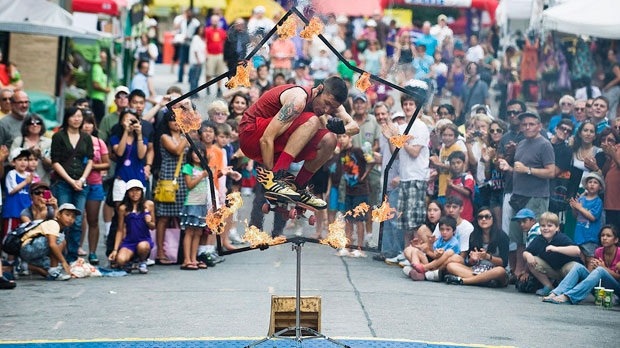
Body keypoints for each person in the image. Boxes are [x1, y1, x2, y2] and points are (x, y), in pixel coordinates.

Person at [238, 76, 357, 209]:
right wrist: (272, 180)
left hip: (274, 145)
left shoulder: (332, 105)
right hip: (250, 135)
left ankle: (298, 187)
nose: (327, 110)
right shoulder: (298, 99)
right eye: (326, 103)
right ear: (319, 89)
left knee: (330, 139)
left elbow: (355, 127)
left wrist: (342, 129)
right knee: (313, 120)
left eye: (332, 107)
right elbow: (266, 139)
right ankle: (277, 178)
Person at [498, 112, 555, 284]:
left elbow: (551, 172)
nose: (527, 127)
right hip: (518, 195)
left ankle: (530, 273)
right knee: (517, 237)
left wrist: (528, 170)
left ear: (539, 126)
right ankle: (517, 271)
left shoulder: (545, 145)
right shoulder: (521, 144)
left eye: (531, 124)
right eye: (524, 125)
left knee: (533, 236)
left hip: (536, 197)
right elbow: (519, 169)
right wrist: (508, 168)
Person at [50, 107, 94, 263]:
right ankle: (59, 256)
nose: (77, 119)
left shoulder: (86, 137)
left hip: (81, 183)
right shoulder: (59, 136)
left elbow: (90, 159)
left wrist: (82, 179)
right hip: (63, 183)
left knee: (77, 220)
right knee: (63, 220)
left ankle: (73, 257)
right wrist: (71, 180)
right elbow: (55, 162)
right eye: (74, 116)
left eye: (79, 116)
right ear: (67, 118)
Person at [542, 225, 620, 305]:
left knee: (600, 270)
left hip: (616, 289)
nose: (604, 238)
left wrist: (604, 269)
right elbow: (593, 275)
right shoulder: (598, 251)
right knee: (578, 267)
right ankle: (556, 293)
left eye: (608, 236)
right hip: (600, 289)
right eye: (602, 235)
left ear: (616, 240)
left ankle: (569, 296)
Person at [154, 113, 188, 265]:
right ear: (167, 123)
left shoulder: (185, 137)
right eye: (173, 120)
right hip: (168, 177)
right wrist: (187, 136)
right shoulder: (164, 137)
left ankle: (181, 253)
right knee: (164, 217)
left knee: (183, 216)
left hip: (183, 177)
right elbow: (176, 151)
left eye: (178, 120)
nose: (176, 123)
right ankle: (160, 252)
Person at [444, 207, 509, 287]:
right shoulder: (474, 235)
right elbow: (469, 263)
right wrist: (472, 260)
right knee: (451, 265)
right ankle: (484, 281)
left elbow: (504, 263)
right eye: (480, 217)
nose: (484, 219)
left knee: (500, 271)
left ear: (493, 219)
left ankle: (463, 281)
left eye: (487, 216)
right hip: (477, 270)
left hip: (494, 271)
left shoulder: (502, 236)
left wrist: (487, 257)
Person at [522, 212, 582, 296]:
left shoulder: (561, 238)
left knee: (574, 266)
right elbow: (526, 252)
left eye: (549, 226)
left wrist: (556, 249)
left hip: (566, 270)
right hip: (552, 270)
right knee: (532, 261)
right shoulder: (539, 239)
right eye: (543, 226)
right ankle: (549, 287)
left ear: (557, 227)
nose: (546, 228)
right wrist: (528, 256)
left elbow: (577, 251)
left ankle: (567, 290)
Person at [19, 203, 82, 281]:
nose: (70, 219)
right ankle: (53, 271)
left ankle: (24, 265)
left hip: (30, 251)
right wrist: (64, 262)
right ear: (58, 215)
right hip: (28, 247)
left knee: (47, 268)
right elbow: (52, 244)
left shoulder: (60, 228)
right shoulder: (54, 224)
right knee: (60, 239)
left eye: (73, 217)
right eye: (67, 215)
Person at [77, 113, 109, 265]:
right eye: (84, 123)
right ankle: (74, 249)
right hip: (76, 184)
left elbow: (107, 163)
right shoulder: (74, 140)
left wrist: (92, 166)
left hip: (95, 184)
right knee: (76, 219)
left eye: (90, 123)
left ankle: (93, 252)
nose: (87, 126)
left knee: (93, 220)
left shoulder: (99, 142)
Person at [108, 180, 155, 274]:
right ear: (127, 193)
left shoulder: (149, 204)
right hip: (129, 242)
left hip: (143, 239)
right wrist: (115, 250)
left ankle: (142, 261)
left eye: (137, 190)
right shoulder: (123, 208)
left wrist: (149, 221)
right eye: (131, 190)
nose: (135, 193)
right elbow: (120, 230)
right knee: (120, 260)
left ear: (142, 191)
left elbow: (153, 227)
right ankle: (130, 261)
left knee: (143, 246)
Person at [336, 133, 370, 258]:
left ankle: (360, 248)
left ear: (350, 138)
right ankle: (348, 247)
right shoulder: (342, 153)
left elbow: (370, 161)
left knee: (359, 220)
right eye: (339, 137)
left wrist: (364, 176)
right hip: (349, 190)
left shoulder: (357, 151)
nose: (341, 139)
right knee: (348, 219)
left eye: (344, 136)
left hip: (360, 190)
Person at [180, 142, 212, 270]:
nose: (197, 155)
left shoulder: (205, 169)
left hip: (202, 204)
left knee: (198, 232)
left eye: (200, 152)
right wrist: (202, 176)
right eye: (194, 152)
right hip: (192, 203)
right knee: (189, 232)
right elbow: (189, 185)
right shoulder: (188, 167)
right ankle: (186, 259)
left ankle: (194, 258)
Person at [405, 216, 460, 281]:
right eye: (442, 229)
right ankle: (419, 270)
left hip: (442, 266)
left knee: (449, 252)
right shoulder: (439, 240)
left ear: (454, 231)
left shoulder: (454, 243)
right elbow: (433, 255)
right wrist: (425, 247)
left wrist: (431, 252)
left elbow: (441, 258)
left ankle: (423, 269)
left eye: (448, 230)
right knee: (415, 251)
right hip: (433, 263)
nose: (444, 232)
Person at [570, 172, 604, 265]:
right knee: (580, 259)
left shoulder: (598, 201)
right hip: (579, 235)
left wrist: (580, 208)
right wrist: (574, 208)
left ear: (600, 187)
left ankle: (589, 279)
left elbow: (593, 217)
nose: (592, 184)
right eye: (590, 182)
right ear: (586, 185)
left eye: (595, 182)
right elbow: (576, 216)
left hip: (590, 237)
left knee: (590, 259)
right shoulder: (581, 199)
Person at [11, 115, 53, 189]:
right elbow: (11, 161)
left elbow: (52, 164)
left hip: (44, 183)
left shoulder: (48, 142)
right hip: (21, 183)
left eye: (38, 122)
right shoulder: (19, 141)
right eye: (31, 123)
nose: (35, 125)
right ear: (26, 125)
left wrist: (41, 156)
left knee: (45, 200)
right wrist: (27, 153)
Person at [3, 148, 34, 233]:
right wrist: (26, 182)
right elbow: (12, 190)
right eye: (19, 160)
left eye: (25, 160)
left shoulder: (29, 175)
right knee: (10, 235)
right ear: (13, 162)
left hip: (26, 211)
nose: (23, 162)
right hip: (13, 211)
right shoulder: (12, 173)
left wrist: (30, 183)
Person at [446, 151, 475, 222]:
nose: (456, 165)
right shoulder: (451, 179)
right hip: (453, 217)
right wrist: (449, 187)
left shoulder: (467, 176)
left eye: (458, 162)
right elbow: (447, 197)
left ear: (464, 163)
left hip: (467, 216)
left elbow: (468, 192)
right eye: (453, 163)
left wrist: (453, 186)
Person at [600, 127, 620, 228]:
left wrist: (614, 155)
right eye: (603, 140)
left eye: (610, 140)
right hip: (609, 203)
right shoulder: (605, 154)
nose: (606, 143)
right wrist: (609, 157)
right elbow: (604, 175)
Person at [204, 15, 228, 97]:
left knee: (219, 73)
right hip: (210, 54)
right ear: (211, 21)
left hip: (220, 54)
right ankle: (207, 87)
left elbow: (224, 42)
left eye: (216, 20)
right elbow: (205, 42)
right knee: (209, 73)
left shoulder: (221, 31)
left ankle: (218, 89)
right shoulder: (207, 30)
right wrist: (206, 53)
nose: (215, 22)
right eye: (213, 20)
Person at [89, 51, 110, 124]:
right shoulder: (96, 68)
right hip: (96, 98)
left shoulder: (100, 69)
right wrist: (105, 90)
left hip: (100, 98)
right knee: (97, 120)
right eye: (102, 57)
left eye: (105, 58)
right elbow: (95, 84)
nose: (103, 60)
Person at [188, 25, 206, 98]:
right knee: (194, 78)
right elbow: (195, 50)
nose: (201, 31)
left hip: (201, 61)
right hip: (196, 61)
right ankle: (193, 93)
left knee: (197, 78)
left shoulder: (201, 39)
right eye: (200, 29)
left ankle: (195, 92)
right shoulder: (196, 38)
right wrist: (198, 60)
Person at [602, 49, 620, 121]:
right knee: (612, 112)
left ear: (615, 55)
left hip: (612, 90)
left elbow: (619, 77)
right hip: (616, 90)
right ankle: (613, 129)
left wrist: (609, 85)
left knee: (605, 108)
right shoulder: (612, 65)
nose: (609, 56)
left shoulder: (615, 65)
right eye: (608, 55)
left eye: (611, 55)